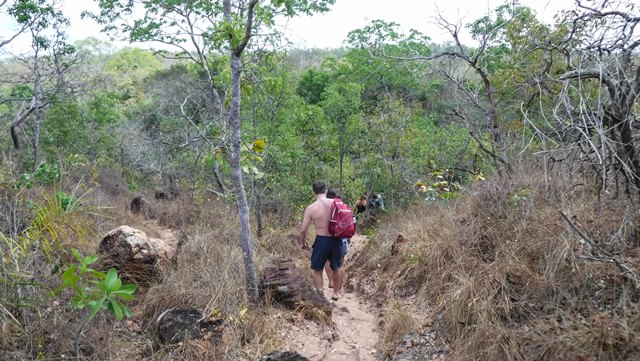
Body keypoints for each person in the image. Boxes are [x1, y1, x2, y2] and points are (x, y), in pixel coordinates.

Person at [299, 181, 342, 301]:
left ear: (313, 192)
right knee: (336, 267)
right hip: (336, 239)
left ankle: (321, 293)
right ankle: (336, 293)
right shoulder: (335, 203)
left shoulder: (311, 208)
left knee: (318, 269)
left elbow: (303, 229)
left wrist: (302, 243)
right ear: (326, 191)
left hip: (321, 240)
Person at [324, 188, 350, 292]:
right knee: (340, 265)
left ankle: (330, 281)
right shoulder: (344, 206)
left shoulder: (327, 207)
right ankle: (339, 287)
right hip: (343, 239)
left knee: (326, 260)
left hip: (330, 239)